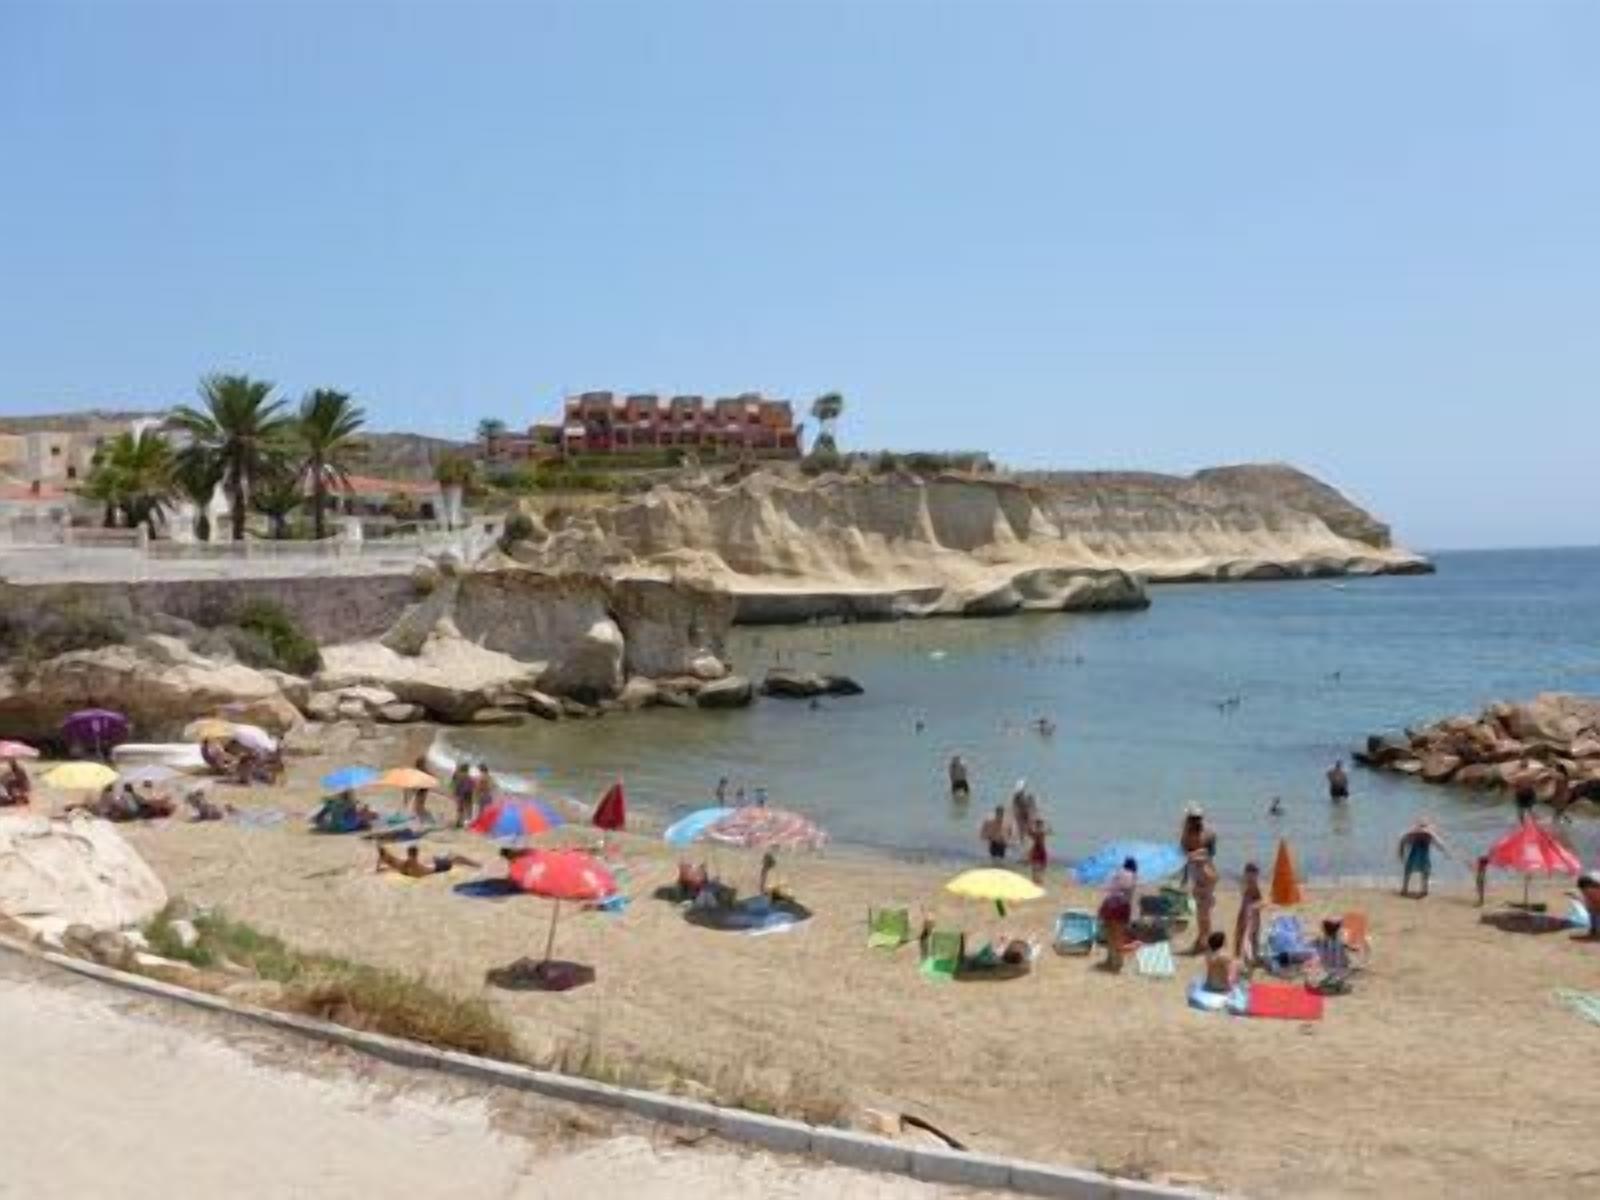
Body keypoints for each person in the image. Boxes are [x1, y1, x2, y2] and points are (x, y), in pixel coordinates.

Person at [1099, 857, 1138, 972]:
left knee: (1110, 934)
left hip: (1109, 904)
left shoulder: (1118, 873)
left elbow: (1109, 889)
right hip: (1122, 907)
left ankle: (1110, 959)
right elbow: (1129, 896)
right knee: (1119, 936)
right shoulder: (1134, 877)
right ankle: (1118, 962)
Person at [1397, 820, 1452, 898]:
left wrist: (1401, 853)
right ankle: (1420, 890)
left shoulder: (1419, 835)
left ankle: (1408, 889)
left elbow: (1403, 842)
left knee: (1413, 871)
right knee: (1422, 871)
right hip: (1420, 855)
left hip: (1417, 855)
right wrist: (1446, 853)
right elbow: (1439, 844)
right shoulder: (1423, 835)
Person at [1186, 848, 1219, 956]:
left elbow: (1212, 882)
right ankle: (1202, 942)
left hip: (1205, 897)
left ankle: (1205, 944)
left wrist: (1200, 889)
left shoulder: (1206, 869)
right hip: (1201, 897)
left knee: (1204, 921)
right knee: (1202, 920)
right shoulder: (1197, 867)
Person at [377, 844, 479, 878]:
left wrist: (381, 861)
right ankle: (476, 865)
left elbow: (384, 862)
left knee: (450, 854)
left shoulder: (397, 865)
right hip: (437, 868)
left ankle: (475, 864)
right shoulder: (408, 863)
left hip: (432, 866)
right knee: (457, 857)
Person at [1309, 918, 1353, 993]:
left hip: (1327, 967)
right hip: (1342, 969)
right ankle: (1336, 982)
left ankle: (1331, 982)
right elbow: (1351, 948)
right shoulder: (1340, 942)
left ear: (1324, 930)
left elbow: (1309, 945)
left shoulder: (1319, 941)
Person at [1234, 862, 1263, 966]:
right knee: (1247, 936)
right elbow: (1257, 900)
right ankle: (1250, 957)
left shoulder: (1249, 885)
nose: (1255, 877)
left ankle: (1250, 956)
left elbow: (1258, 901)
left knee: (1248, 936)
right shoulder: (1250, 885)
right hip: (1248, 913)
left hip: (1249, 913)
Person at [1201, 930, 1237, 994]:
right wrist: (1229, 987)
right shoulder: (1224, 957)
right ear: (1222, 943)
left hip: (1211, 984)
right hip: (1221, 986)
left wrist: (1207, 982)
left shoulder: (1208, 955)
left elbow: (1209, 971)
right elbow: (1226, 972)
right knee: (1235, 965)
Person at [1011, 781, 1035, 850]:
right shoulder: (1018, 797)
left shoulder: (1018, 797)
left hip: (1024, 816)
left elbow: (1028, 806)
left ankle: (1024, 846)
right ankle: (1023, 846)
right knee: (1022, 833)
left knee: (1025, 833)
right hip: (1021, 816)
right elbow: (1019, 806)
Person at [1575, 874, 1600, 941]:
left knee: (1596, 915)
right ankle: (1594, 932)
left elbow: (1597, 902)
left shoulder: (1592, 890)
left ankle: (1597, 933)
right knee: (1593, 914)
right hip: (1595, 909)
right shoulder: (1590, 890)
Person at [1026, 817, 1050, 884]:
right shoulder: (1038, 833)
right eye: (1038, 825)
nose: (1039, 826)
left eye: (1040, 825)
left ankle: (1037, 881)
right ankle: (1036, 881)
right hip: (1037, 850)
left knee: (1040, 868)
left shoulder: (1041, 832)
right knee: (1036, 868)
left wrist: (1030, 824)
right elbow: (1029, 832)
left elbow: (1050, 831)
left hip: (1040, 850)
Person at [450, 762, 474, 828]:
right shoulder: (469, 777)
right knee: (468, 808)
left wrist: (455, 792)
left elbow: (454, 783)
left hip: (460, 793)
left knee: (460, 809)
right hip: (467, 794)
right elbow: (471, 787)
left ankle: (459, 821)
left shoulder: (458, 775)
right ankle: (466, 822)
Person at [410, 755, 432, 823]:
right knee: (419, 804)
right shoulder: (424, 771)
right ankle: (421, 817)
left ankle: (420, 817)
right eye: (424, 762)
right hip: (422, 790)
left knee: (418, 804)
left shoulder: (417, 771)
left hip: (421, 790)